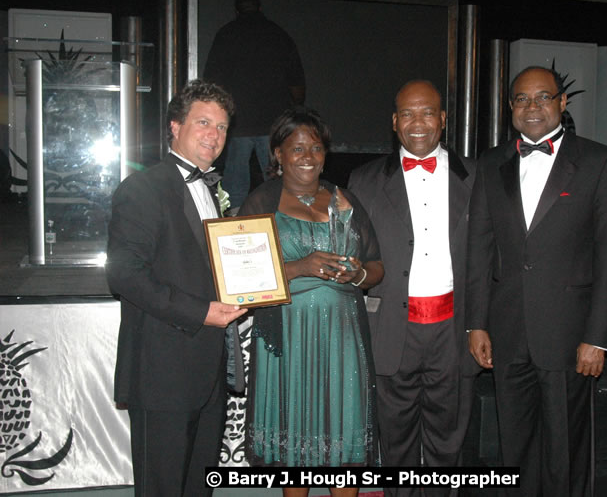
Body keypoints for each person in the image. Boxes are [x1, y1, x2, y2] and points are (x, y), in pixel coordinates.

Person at [466, 66, 607, 497]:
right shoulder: (491, 163)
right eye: (521, 99)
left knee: (565, 454)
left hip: (569, 335)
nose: (532, 107)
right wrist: (477, 323)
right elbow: (479, 249)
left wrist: (598, 337)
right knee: (513, 450)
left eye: (542, 97)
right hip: (506, 332)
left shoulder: (600, 161)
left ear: (562, 102)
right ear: (510, 108)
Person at [107, 80, 248, 496]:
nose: (214, 135)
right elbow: (125, 275)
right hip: (162, 372)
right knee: (162, 488)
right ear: (174, 126)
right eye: (203, 123)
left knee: (198, 487)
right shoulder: (142, 188)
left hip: (208, 371)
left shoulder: (211, 188)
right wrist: (201, 311)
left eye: (222, 127)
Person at [238, 106, 383, 497]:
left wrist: (358, 275)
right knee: (296, 438)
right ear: (278, 155)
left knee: (344, 431)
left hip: (342, 339)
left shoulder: (345, 200)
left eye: (316, 148)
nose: (307, 157)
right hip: (288, 337)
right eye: (297, 148)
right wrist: (300, 266)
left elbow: (377, 266)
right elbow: (241, 279)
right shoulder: (260, 202)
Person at [348, 80, 477, 495]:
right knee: (397, 442)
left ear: (443, 119)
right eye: (407, 113)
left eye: (427, 113)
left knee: (447, 443)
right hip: (391, 327)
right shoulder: (363, 181)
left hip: (453, 330)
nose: (417, 122)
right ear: (394, 122)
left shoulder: (476, 177)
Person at [204, 0, 305, 214]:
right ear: (260, 6)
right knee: (278, 183)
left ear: (236, 9)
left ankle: (235, 229)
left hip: (239, 121)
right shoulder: (278, 35)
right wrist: (294, 111)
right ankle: (282, 225)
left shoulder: (226, 34)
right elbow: (297, 83)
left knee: (235, 190)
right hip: (272, 123)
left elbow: (211, 82)